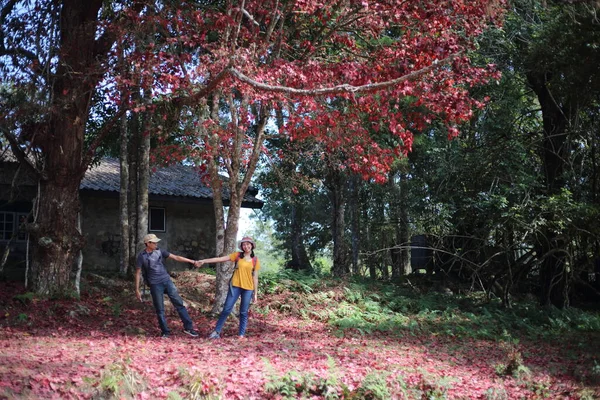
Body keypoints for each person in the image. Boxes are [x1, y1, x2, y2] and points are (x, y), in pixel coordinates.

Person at [135, 233, 201, 338]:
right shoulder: (141, 256)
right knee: (160, 309)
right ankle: (165, 332)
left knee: (179, 304)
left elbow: (176, 257)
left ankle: (189, 328)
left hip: (167, 281)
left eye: (157, 241)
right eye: (154, 242)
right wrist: (137, 289)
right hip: (155, 284)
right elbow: (138, 272)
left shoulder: (160, 251)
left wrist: (192, 261)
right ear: (148, 243)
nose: (156, 243)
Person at [198, 236, 260, 339]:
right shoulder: (237, 256)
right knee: (227, 309)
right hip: (235, 286)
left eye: (248, 244)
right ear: (241, 246)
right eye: (244, 244)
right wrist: (204, 261)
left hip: (248, 288)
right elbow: (220, 259)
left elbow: (255, 277)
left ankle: (241, 334)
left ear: (252, 245)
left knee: (243, 312)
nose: (246, 246)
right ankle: (216, 332)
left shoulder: (255, 260)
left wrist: (255, 294)